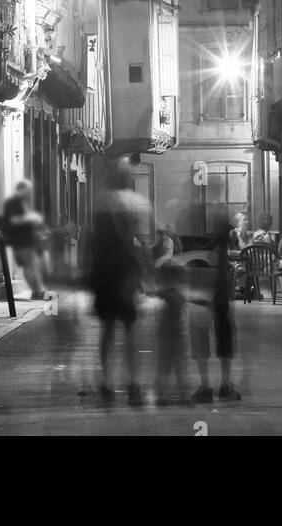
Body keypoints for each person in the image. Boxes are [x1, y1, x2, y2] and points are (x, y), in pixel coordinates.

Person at [88, 160, 151, 406]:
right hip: (125, 276)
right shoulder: (132, 203)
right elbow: (134, 242)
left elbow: (93, 243)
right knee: (129, 331)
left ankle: (106, 384)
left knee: (107, 332)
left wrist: (90, 278)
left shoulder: (101, 203)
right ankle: (133, 384)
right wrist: (142, 273)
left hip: (105, 276)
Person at [188, 217, 241, 403]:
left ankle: (205, 386)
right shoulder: (221, 247)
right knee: (223, 338)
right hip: (218, 294)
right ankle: (225, 385)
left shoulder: (205, 242)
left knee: (200, 336)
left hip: (201, 291)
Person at [2, 179, 48, 299]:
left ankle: (37, 290)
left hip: (25, 239)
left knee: (31, 265)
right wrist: (31, 218)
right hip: (21, 240)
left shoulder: (19, 201)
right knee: (31, 264)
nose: (29, 192)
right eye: (27, 190)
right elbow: (14, 220)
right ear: (21, 189)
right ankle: (39, 291)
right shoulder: (13, 202)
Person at [155, 261, 189, 404]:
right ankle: (183, 395)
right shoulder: (176, 294)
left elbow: (164, 294)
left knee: (166, 367)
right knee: (178, 367)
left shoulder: (172, 294)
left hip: (170, 336)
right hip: (176, 337)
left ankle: (164, 395)